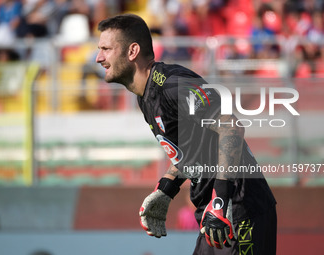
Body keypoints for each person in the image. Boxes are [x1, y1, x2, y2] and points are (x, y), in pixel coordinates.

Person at [95, 14, 277, 255]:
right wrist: (166, 188)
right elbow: (192, 149)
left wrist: (221, 199)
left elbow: (230, 126)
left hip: (239, 209)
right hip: (212, 217)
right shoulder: (145, 96)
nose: (99, 58)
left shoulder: (172, 84)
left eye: (106, 49)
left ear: (132, 51)